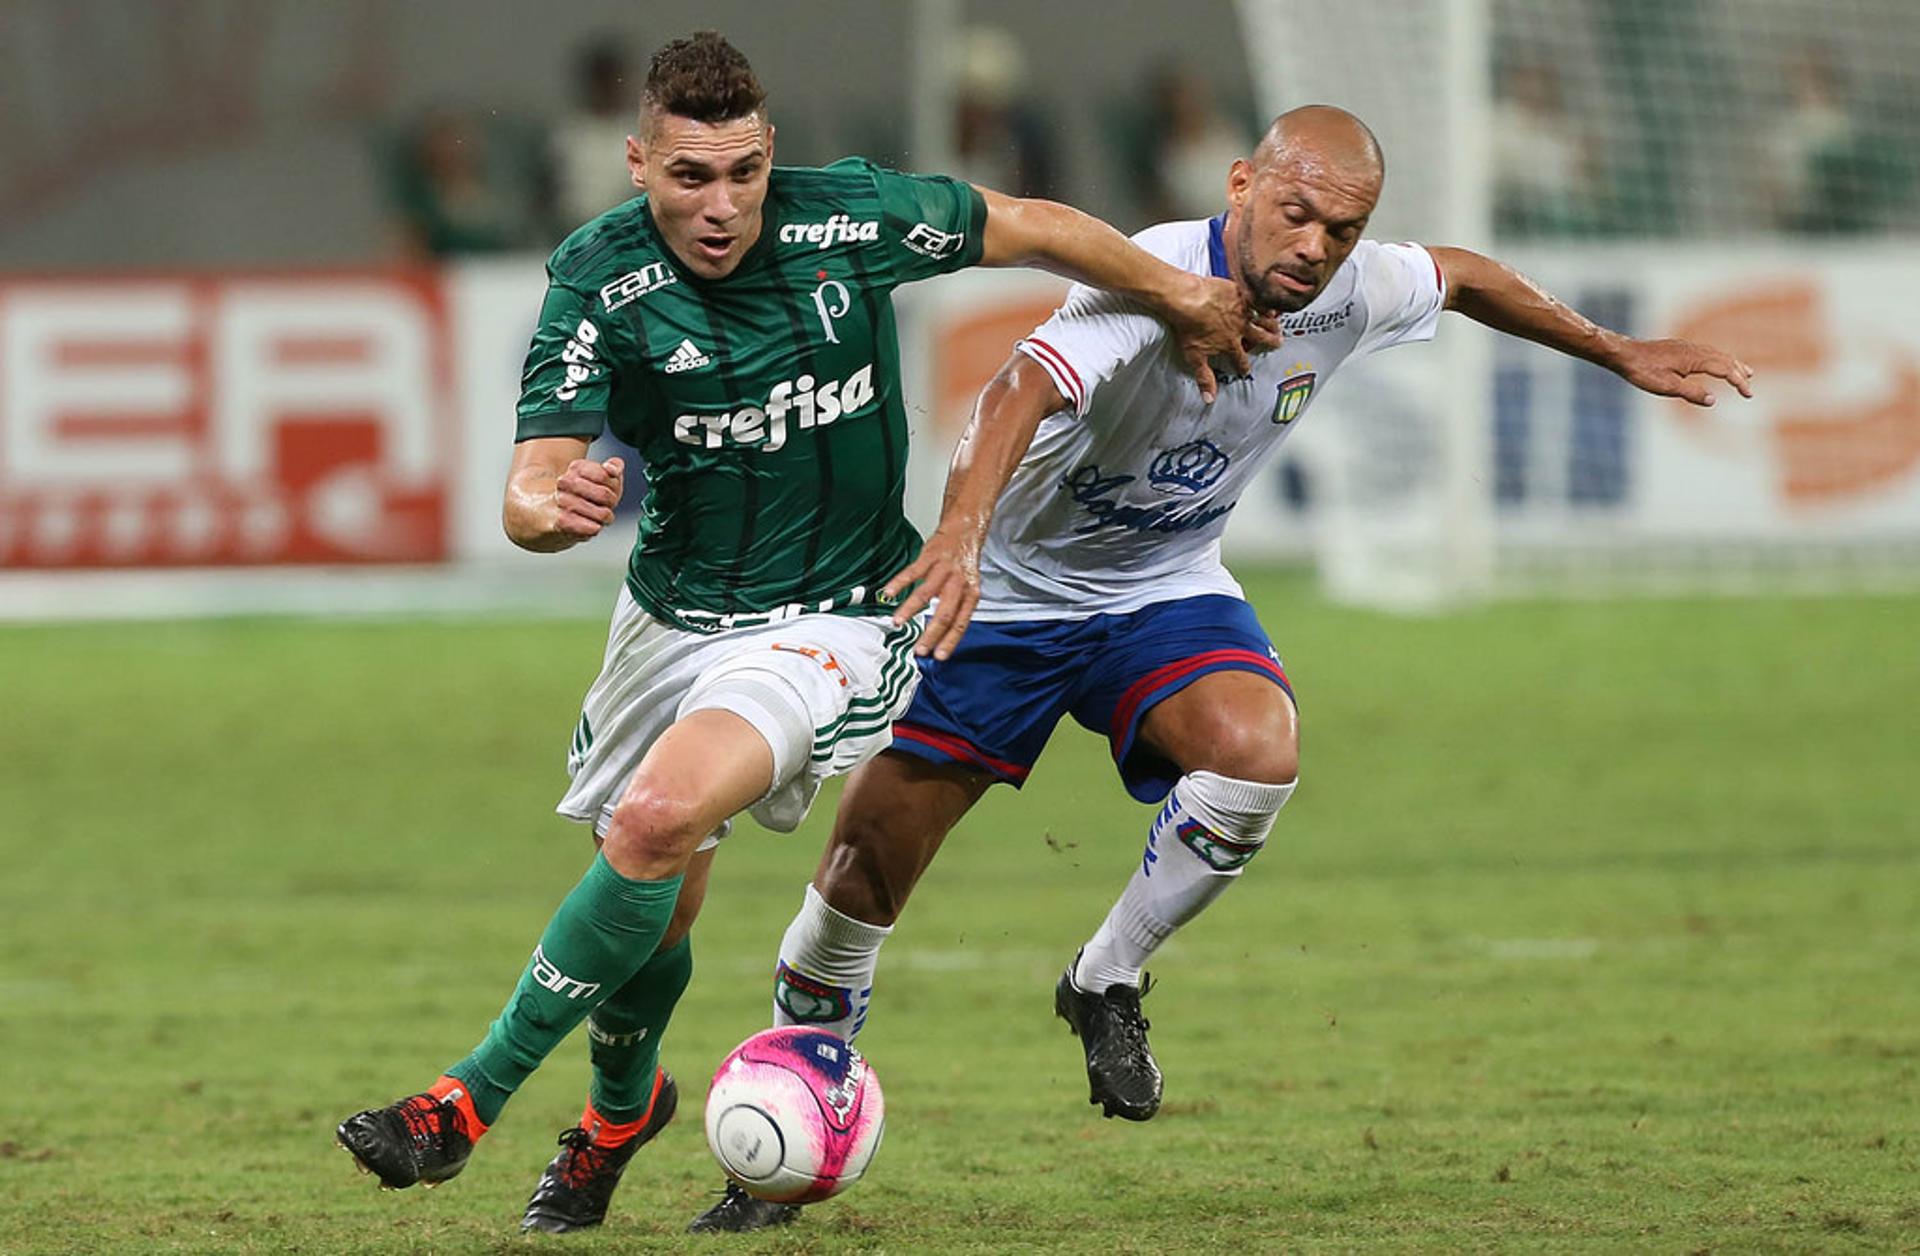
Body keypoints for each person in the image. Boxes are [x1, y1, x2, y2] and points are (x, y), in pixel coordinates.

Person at [724, 103, 1755, 1232]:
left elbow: (1459, 275)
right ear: (1241, 186)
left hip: (1161, 588)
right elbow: (1019, 387)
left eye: (1342, 228)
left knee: (1259, 752)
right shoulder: (1155, 277)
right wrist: (964, 530)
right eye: (1297, 211)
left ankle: (1105, 977)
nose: (1314, 246)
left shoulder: (1349, 293)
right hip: (1007, 599)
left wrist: (1614, 349)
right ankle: (782, 1124)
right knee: (862, 875)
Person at [332, 30, 1268, 1238]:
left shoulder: (853, 218)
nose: (718, 206)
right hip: (669, 616)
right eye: (687, 178)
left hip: (836, 613)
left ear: (769, 152)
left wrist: (1178, 288)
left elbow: (1033, 221)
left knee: (658, 818)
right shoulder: (594, 278)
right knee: (654, 895)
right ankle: (621, 1112)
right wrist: (545, 512)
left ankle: (465, 1099)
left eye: (740, 173)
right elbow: (529, 482)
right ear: (637, 164)